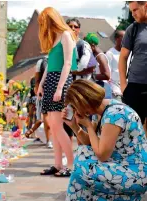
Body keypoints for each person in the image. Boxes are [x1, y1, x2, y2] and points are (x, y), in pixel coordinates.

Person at [62, 79, 147, 200]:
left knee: (80, 166)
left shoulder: (114, 114)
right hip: (125, 165)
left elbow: (102, 155)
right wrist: (74, 126)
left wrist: (89, 126)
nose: (76, 111)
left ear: (83, 103)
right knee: (82, 155)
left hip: (136, 174)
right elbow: (91, 143)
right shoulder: (106, 109)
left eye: (75, 107)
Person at [37, 7, 77, 177]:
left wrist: (60, 87)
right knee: (53, 127)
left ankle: (71, 164)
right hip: (52, 80)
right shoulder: (55, 39)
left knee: (58, 126)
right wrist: (41, 84)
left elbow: (67, 63)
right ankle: (58, 164)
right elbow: (50, 65)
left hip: (61, 80)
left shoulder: (66, 35)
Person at [119, 1, 147, 134]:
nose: (133, 14)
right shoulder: (133, 29)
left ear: (145, 6)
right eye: (131, 11)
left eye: (135, 10)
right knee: (133, 129)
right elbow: (123, 57)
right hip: (135, 85)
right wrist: (124, 85)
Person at [84, 32, 112, 99]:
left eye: (86, 46)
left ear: (92, 45)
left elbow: (107, 75)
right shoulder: (94, 55)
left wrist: (90, 75)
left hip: (102, 88)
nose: (85, 48)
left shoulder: (100, 57)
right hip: (97, 87)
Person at [106, 30, 125, 101]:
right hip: (115, 91)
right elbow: (107, 74)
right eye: (124, 37)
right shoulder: (110, 53)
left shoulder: (128, 53)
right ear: (117, 39)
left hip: (126, 91)